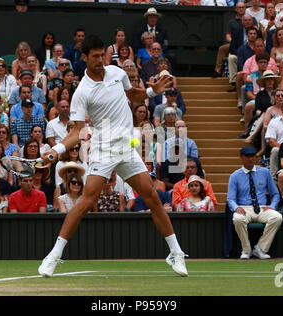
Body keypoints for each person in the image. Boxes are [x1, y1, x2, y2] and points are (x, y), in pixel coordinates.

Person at [38, 34, 188, 277]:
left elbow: (132, 95)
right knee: (86, 200)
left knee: (151, 195)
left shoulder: (117, 74)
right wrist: (56, 150)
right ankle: (53, 255)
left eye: (101, 55)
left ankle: (176, 253)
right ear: (84, 57)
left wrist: (151, 91)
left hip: (126, 148)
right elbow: (77, 131)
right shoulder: (82, 92)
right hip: (103, 149)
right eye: (94, 56)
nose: (100, 60)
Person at [227, 146, 282, 260]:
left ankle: (261, 249)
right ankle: (246, 250)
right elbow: (230, 199)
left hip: (262, 208)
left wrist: (272, 206)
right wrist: (236, 208)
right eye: (247, 156)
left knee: (277, 217)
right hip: (244, 208)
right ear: (241, 158)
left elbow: (275, 194)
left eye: (253, 156)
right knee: (237, 219)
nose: (250, 159)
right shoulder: (235, 176)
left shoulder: (265, 172)